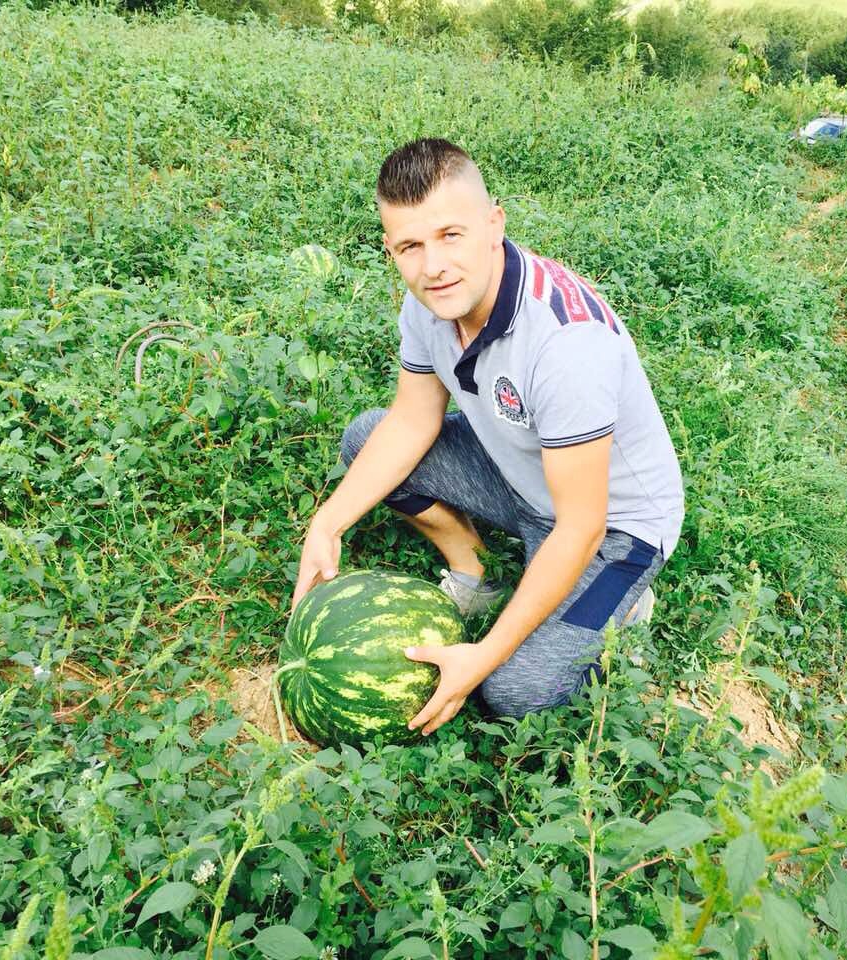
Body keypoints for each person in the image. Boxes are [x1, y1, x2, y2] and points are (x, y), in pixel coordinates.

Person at [291, 138, 684, 736]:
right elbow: (412, 422)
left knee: (513, 691)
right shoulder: (428, 301)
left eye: (451, 235)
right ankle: (475, 574)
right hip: (523, 479)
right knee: (367, 439)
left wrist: (482, 657)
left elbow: (581, 526)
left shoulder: (566, 344)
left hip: (614, 527)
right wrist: (327, 523)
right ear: (390, 248)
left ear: (493, 223)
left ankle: (623, 604)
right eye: (410, 246)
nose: (433, 266)